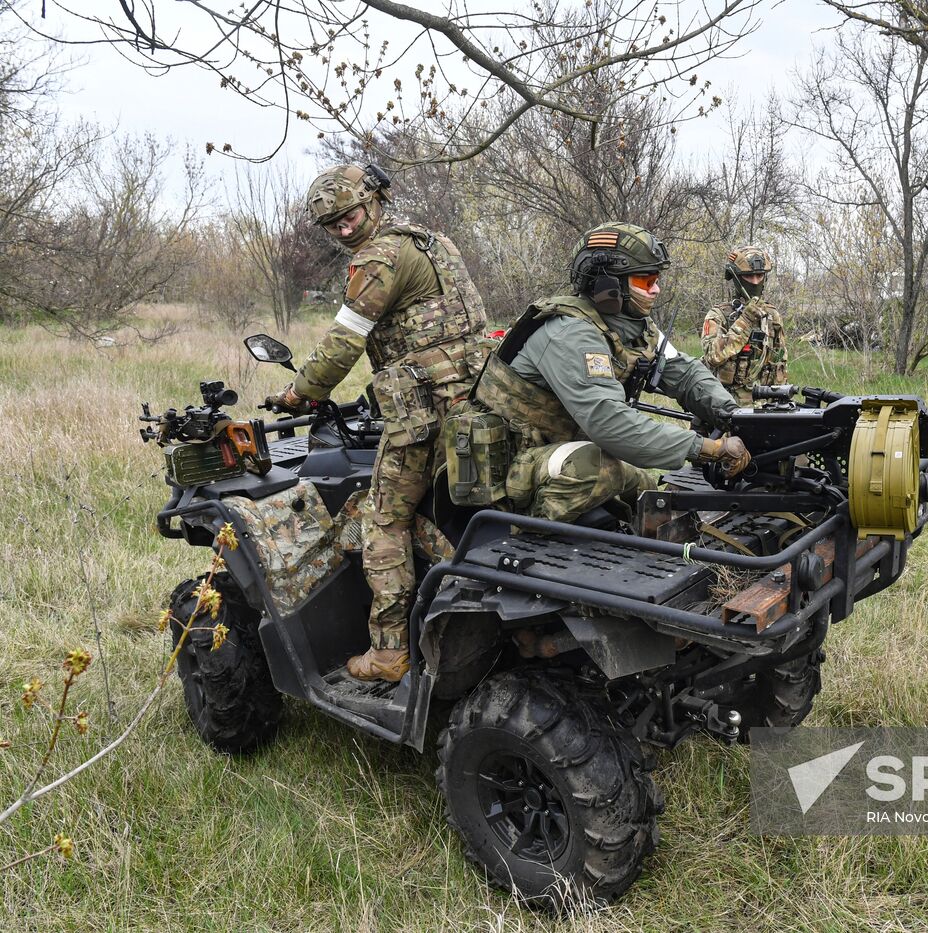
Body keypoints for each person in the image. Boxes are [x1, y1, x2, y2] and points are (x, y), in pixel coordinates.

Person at [265, 164, 488, 683]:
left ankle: (388, 652)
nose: (344, 229)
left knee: (384, 518)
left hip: (424, 413)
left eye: (350, 215)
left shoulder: (379, 258)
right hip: (476, 402)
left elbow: (344, 342)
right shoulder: (434, 242)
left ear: (374, 201)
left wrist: (300, 392)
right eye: (333, 224)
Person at [471, 221, 751, 523]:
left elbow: (683, 373)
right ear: (609, 286)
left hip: (557, 452)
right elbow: (608, 421)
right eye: (646, 281)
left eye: (656, 279)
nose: (656, 289)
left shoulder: (632, 327)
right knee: (601, 468)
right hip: (509, 464)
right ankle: (526, 538)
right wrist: (708, 448)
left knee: (648, 493)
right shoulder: (569, 333)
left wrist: (734, 415)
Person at [700, 245, 788, 405]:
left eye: (760, 275)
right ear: (737, 278)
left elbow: (779, 361)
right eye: (749, 276)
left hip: (763, 405)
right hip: (724, 404)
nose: (755, 281)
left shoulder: (771, 315)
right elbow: (712, 357)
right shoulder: (719, 315)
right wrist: (745, 321)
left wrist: (780, 401)